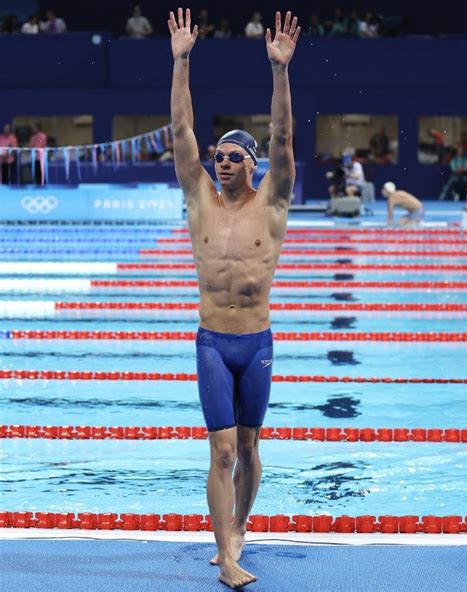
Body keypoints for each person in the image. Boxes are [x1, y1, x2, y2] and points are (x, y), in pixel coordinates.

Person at [168, 8, 300, 589]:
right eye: (217, 156)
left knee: (249, 448)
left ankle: (240, 528)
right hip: (213, 343)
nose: (221, 164)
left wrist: (279, 72)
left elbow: (284, 137)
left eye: (232, 158)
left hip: (258, 341)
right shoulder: (198, 195)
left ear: (253, 165)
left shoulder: (271, 202)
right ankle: (225, 555)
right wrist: (181, 59)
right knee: (221, 452)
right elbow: (180, 131)